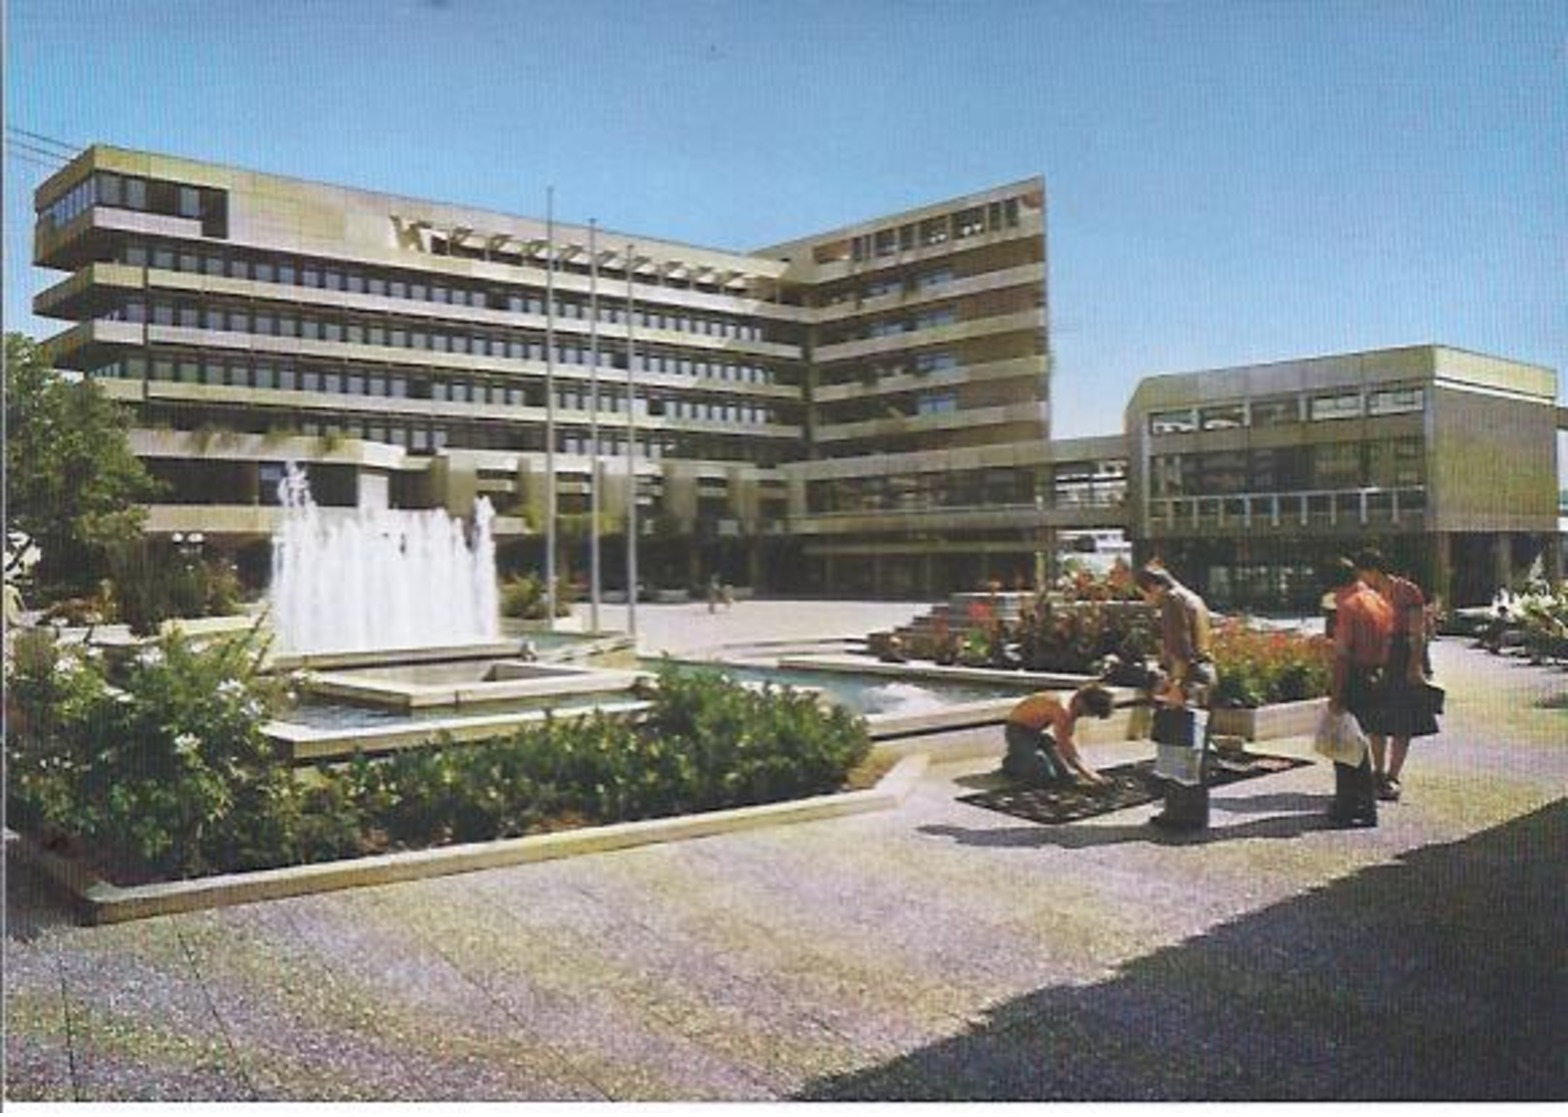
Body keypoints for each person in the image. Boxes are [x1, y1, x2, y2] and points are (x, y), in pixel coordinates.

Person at [1352, 548, 1439, 802]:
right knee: (1376, 718)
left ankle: (1393, 774)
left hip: (1402, 654)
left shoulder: (1407, 591)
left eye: (1362, 572)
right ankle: (1377, 772)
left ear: (1373, 570)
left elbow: (1417, 633)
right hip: (1376, 654)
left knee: (1403, 718)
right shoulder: (1365, 594)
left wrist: (1414, 665)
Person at [1325, 556, 1393, 828]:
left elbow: (1342, 655)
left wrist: (1336, 695)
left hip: (1354, 674)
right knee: (1359, 739)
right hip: (1376, 673)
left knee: (1346, 745)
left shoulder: (1349, 606)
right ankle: (1359, 803)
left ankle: (1354, 804)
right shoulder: (1378, 600)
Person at [1003, 683, 1116, 787]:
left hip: (1037, 732)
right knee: (1043, 775)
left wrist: (1081, 770)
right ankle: (1012, 762)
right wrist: (1089, 774)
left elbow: (1068, 741)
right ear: (1081, 702)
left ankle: (1025, 755)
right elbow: (1066, 747)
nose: (1088, 716)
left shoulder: (1073, 704)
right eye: (1090, 712)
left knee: (1063, 772)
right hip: (1017, 731)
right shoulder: (1063, 710)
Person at [1133, 564, 1216, 702]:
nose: (1145, 601)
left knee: (1179, 722)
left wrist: (1176, 685)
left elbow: (1180, 647)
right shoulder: (1193, 597)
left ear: (1154, 587)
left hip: (1188, 679)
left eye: (1144, 594)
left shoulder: (1172, 601)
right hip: (1204, 673)